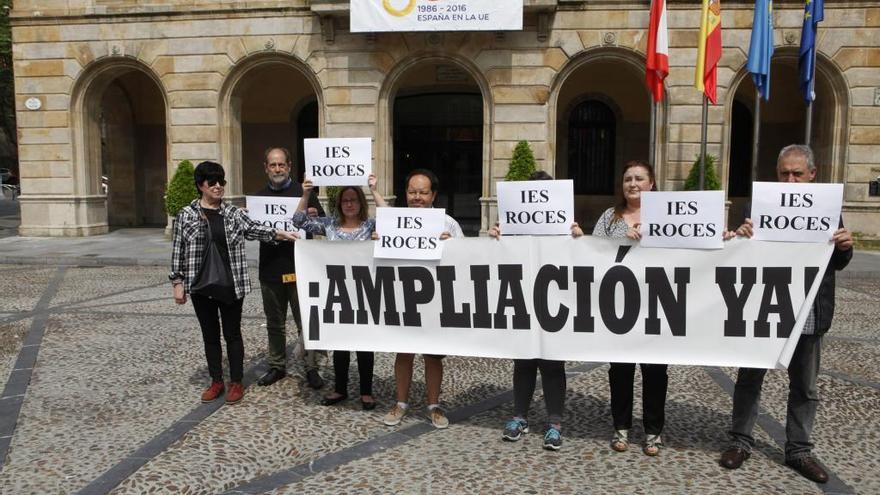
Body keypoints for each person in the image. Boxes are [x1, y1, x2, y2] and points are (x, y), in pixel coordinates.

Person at [719, 144, 853, 484]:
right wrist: (740, 237)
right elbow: (742, 258)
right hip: (765, 310)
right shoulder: (757, 207)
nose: (790, 180)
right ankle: (740, 441)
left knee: (805, 386)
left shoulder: (827, 210)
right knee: (749, 379)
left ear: (812, 175)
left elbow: (835, 263)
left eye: (797, 173)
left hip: (809, 312)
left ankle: (799, 450)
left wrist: (845, 247)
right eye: (784, 174)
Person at [170, 161, 299, 404]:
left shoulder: (232, 213)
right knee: (210, 335)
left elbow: (257, 229)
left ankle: (236, 382)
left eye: (221, 182)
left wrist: (283, 234)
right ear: (201, 185)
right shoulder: (186, 215)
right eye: (212, 182)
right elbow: (178, 249)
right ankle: (216, 380)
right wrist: (178, 282)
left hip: (231, 285)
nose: (218, 186)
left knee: (232, 334)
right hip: (201, 285)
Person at [488, 170, 581, 451]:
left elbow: (581, 257)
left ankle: (554, 423)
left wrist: (578, 236)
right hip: (522, 300)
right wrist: (497, 237)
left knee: (553, 362)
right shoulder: (512, 226)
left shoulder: (565, 226)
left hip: (554, 301)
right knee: (524, 361)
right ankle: (520, 416)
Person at [588, 159, 668, 457]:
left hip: (657, 305)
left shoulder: (666, 217)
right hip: (618, 306)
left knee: (655, 371)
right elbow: (591, 253)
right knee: (620, 369)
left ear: (652, 183)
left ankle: (653, 432)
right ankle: (620, 426)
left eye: (639, 178)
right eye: (627, 179)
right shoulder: (610, 217)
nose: (632, 184)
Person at [292, 174, 387, 410]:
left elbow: (392, 218)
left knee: (365, 345)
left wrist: (374, 190)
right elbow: (298, 221)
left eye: (354, 199)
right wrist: (305, 193)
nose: (349, 203)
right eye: (345, 200)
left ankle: (366, 392)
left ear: (361, 203)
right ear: (339, 204)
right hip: (336, 293)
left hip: (365, 293)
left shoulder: (370, 226)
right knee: (340, 343)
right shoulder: (329, 225)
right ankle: (340, 389)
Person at [382, 168, 463, 429]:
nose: (417, 197)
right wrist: (375, 240)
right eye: (412, 191)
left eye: (423, 192)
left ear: (433, 195)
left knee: (432, 356)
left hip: (436, 300)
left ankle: (433, 405)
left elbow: (468, 258)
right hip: (402, 297)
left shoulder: (448, 224)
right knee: (403, 353)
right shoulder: (391, 222)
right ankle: (401, 403)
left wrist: (452, 244)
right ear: (406, 194)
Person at [253, 147, 326, 389]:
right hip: (271, 269)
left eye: (281, 165)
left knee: (306, 321)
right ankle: (277, 366)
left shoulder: (303, 192)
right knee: (275, 322)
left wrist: (314, 217)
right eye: (272, 165)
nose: (277, 169)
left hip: (301, 270)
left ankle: (312, 367)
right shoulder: (259, 198)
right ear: (265, 168)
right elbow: (252, 232)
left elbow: (323, 227)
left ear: (289, 166)